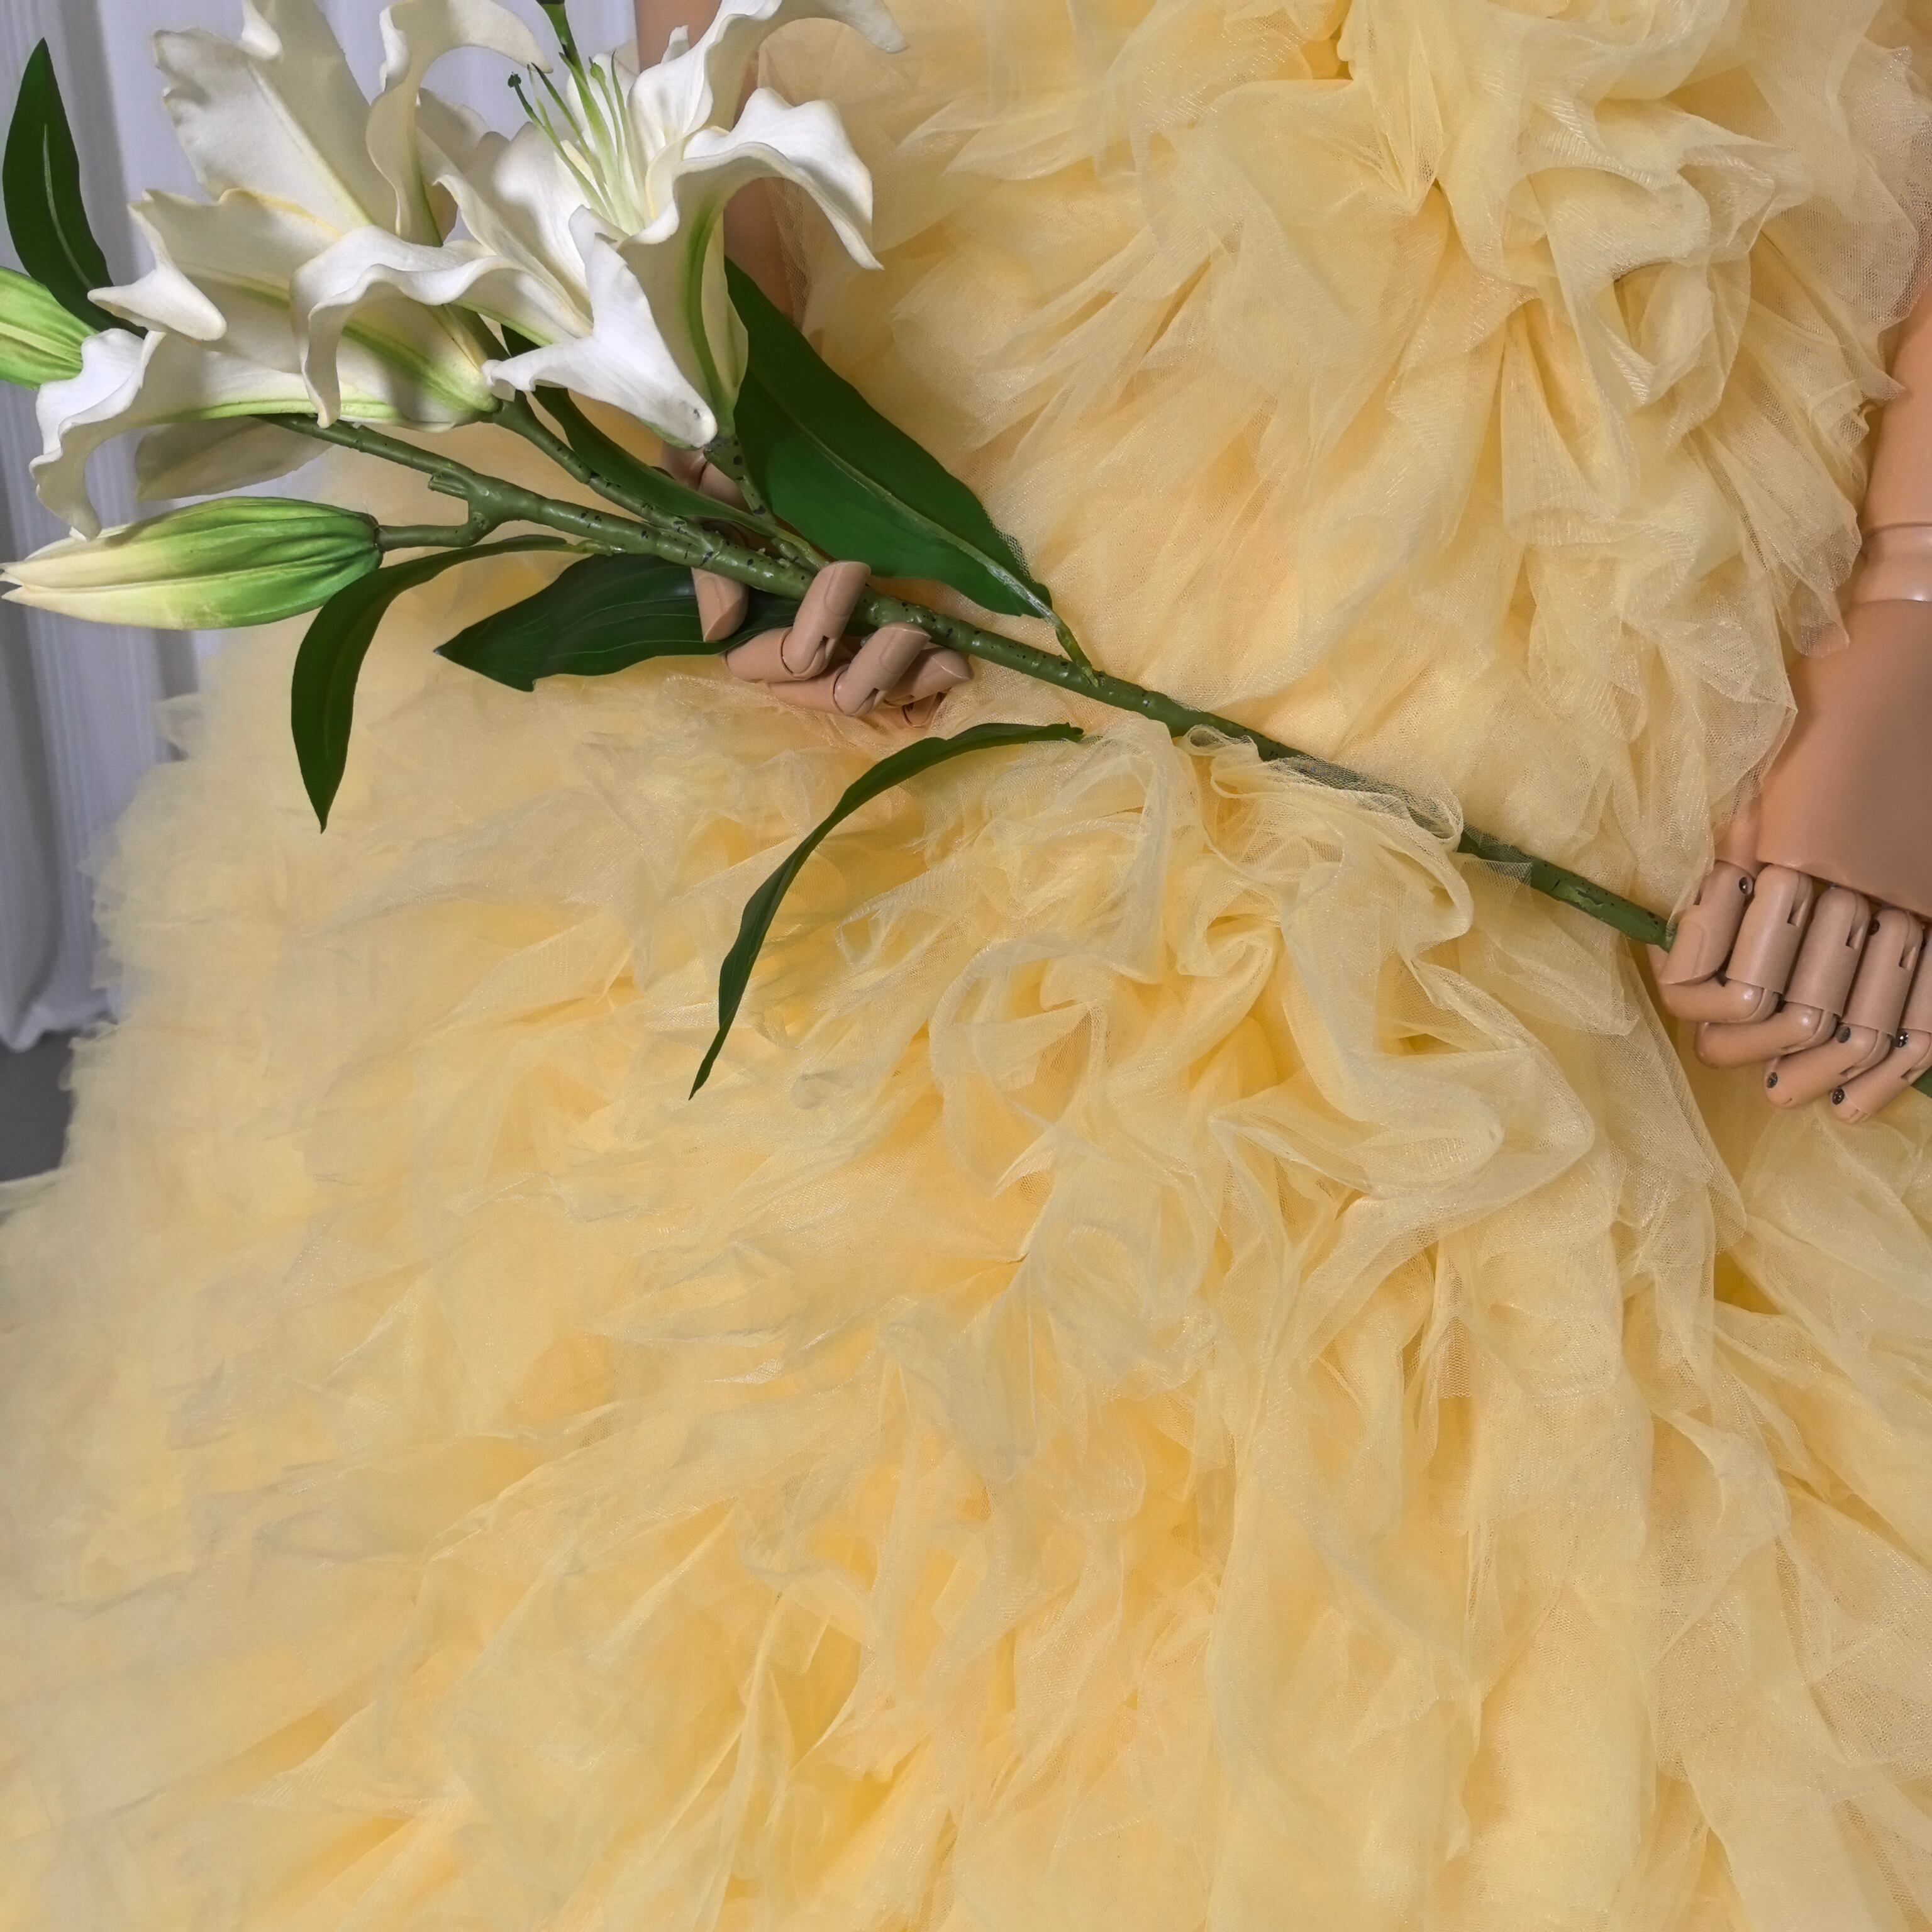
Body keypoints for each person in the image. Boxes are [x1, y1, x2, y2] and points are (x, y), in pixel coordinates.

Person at [3, 0, 1930, 1924]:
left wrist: (1910, 637)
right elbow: (710, 60)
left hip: (1634, 591)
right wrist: (733, 429)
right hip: (959, 548)